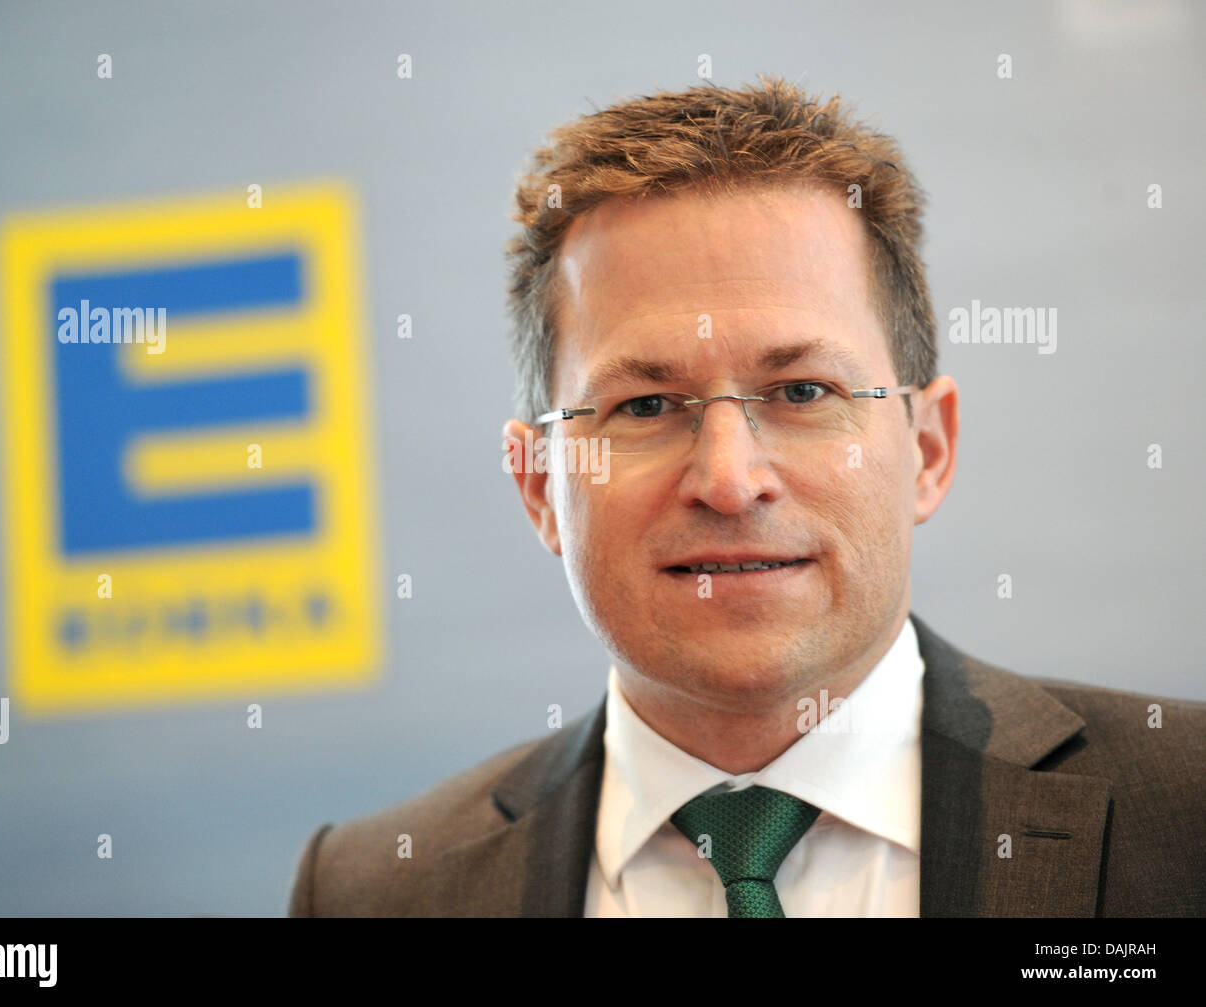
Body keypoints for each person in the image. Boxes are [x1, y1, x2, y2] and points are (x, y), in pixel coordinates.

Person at [288, 76, 1204, 917]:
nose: (729, 480)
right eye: (645, 405)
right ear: (539, 486)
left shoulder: (1186, 809)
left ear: (927, 448)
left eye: (802, 392)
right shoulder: (374, 891)